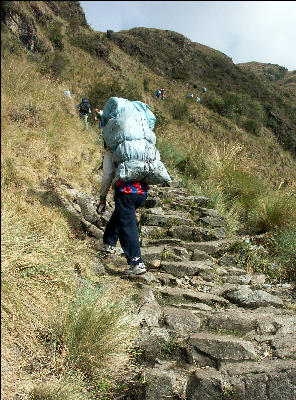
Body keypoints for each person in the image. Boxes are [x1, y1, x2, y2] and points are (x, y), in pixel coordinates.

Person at [97, 150, 148, 276]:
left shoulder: (112, 151)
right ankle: (108, 243)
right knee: (121, 215)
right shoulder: (139, 148)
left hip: (125, 192)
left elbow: (107, 175)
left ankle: (136, 262)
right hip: (141, 193)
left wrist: (102, 198)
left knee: (127, 226)